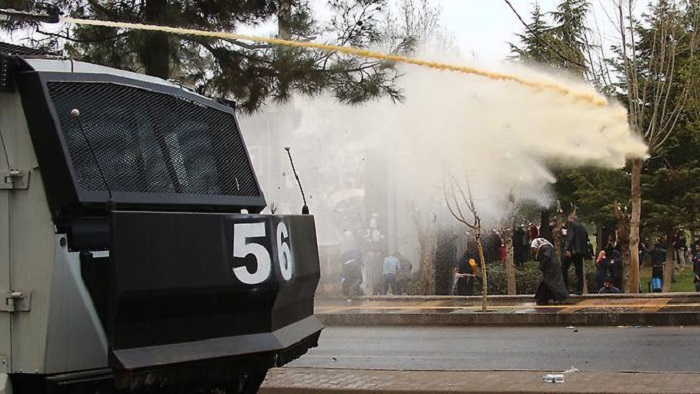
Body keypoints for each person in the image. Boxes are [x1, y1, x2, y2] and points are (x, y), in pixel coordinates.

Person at [531, 238, 569, 305]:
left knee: (553, 284)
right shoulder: (547, 247)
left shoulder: (545, 248)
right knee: (548, 284)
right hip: (551, 269)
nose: (534, 250)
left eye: (533, 248)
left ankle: (559, 297)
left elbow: (546, 258)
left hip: (551, 270)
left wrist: (542, 266)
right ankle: (543, 299)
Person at [565, 214, 589, 295]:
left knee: (564, 268)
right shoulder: (582, 227)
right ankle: (579, 289)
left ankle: (565, 288)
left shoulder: (571, 226)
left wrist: (567, 249)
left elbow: (570, 238)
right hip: (580, 251)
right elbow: (586, 237)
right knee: (579, 271)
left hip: (573, 250)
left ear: (571, 219)